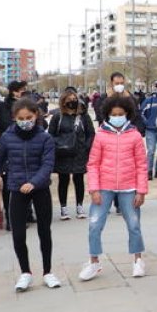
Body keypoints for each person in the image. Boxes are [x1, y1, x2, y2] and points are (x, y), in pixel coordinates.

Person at [0, 97, 60, 292]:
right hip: (16, 188)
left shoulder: (45, 138)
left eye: (29, 117)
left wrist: (34, 182)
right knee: (18, 233)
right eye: (21, 118)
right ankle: (25, 273)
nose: (25, 121)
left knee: (44, 231)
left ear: (36, 115)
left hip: (39, 189)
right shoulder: (7, 137)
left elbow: (48, 165)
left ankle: (48, 272)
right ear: (14, 118)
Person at [80, 94, 149, 281]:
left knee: (134, 224)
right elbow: (93, 164)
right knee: (95, 224)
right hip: (104, 186)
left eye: (121, 113)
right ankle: (94, 262)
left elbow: (142, 165)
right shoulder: (100, 135)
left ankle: (137, 260)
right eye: (114, 114)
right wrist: (94, 189)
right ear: (107, 114)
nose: (117, 117)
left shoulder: (134, 135)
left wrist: (141, 191)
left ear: (127, 114)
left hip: (129, 187)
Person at [50, 90, 95, 220]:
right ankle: (63, 208)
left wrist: (86, 147)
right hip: (63, 153)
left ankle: (79, 206)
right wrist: (58, 145)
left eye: (74, 98)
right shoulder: (57, 117)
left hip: (79, 153)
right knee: (63, 180)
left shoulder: (83, 116)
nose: (72, 101)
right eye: (69, 99)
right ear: (63, 101)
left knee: (79, 179)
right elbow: (50, 135)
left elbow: (91, 134)